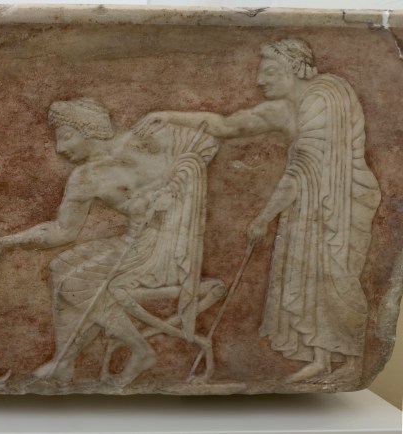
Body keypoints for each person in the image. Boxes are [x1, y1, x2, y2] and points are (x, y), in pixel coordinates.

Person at [138, 39, 380, 383]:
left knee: (334, 274)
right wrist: (167, 116)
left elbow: (304, 169)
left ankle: (352, 363)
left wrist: (263, 218)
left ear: (294, 70)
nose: (259, 81)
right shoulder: (282, 109)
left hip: (338, 204)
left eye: (269, 72)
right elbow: (226, 126)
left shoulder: (325, 99)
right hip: (306, 204)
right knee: (307, 270)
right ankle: (322, 359)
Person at [0, 98, 226, 387]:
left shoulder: (147, 138)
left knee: (74, 284)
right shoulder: (84, 178)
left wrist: (179, 180)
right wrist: (8, 242)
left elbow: (212, 137)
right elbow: (62, 231)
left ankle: (140, 352)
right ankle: (64, 363)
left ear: (89, 130)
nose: (60, 148)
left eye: (67, 136)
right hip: (134, 242)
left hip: (167, 247)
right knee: (61, 267)